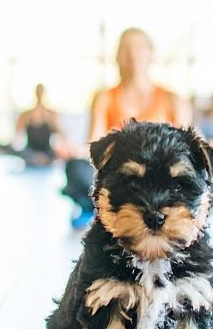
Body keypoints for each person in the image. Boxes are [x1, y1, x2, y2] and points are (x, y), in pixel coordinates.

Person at [63, 27, 192, 226]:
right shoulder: (104, 98)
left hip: (157, 180)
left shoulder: (172, 100)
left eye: (139, 47)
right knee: (76, 168)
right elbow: (93, 145)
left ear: (150, 54)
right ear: (117, 56)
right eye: (126, 48)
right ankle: (95, 206)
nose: (133, 54)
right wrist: (72, 150)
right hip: (120, 174)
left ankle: (101, 205)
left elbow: (186, 151)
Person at [14, 83, 68, 167]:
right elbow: (17, 136)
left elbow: (62, 134)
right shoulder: (26, 115)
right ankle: (38, 159)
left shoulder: (51, 114)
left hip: (47, 152)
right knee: (27, 155)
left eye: (41, 92)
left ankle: (41, 159)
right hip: (30, 152)